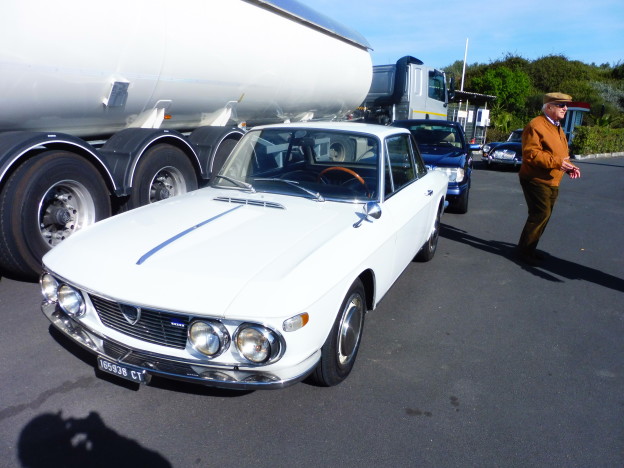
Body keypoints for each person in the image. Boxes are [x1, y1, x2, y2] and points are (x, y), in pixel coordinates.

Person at [516, 92, 581, 265]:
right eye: (561, 105)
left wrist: (567, 167)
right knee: (540, 213)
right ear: (549, 107)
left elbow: (559, 154)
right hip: (536, 179)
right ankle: (524, 252)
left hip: (552, 179)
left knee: (544, 215)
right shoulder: (536, 125)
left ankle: (529, 249)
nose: (565, 108)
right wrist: (558, 162)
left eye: (566, 105)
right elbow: (531, 154)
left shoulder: (556, 125)